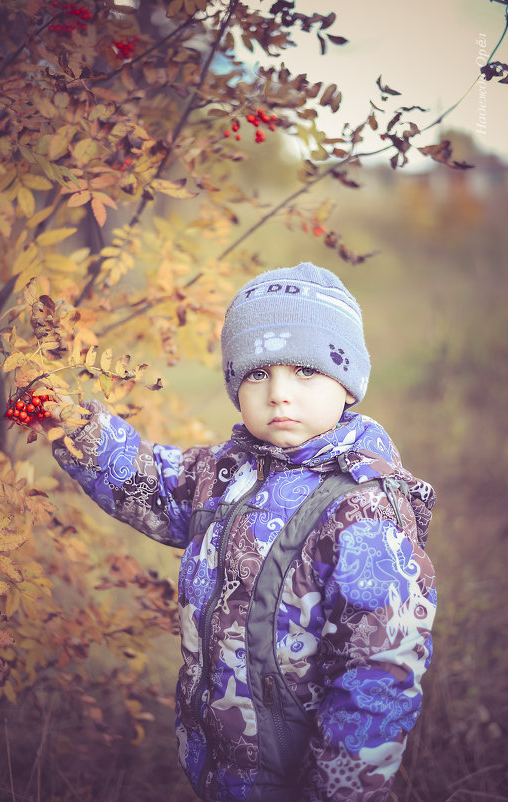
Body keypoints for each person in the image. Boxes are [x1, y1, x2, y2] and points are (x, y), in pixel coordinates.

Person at [47, 262, 436, 802]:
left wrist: (341, 787)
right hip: (226, 761)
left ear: (347, 385)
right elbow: (151, 486)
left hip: (308, 774)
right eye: (257, 373)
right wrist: (83, 432)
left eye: (304, 370)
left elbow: (379, 668)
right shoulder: (223, 475)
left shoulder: (362, 507)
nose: (279, 393)